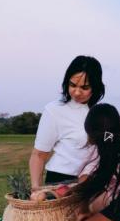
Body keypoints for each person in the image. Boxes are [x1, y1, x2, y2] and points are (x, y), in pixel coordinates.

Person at [30, 56, 105, 190]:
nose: (77, 92)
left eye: (85, 87)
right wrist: (36, 189)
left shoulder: (101, 112)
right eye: (72, 85)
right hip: (61, 181)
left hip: (94, 180)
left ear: (96, 87)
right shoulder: (54, 110)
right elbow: (39, 155)